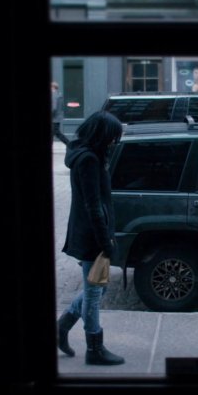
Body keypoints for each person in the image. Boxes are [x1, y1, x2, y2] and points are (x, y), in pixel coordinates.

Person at [57, 111, 125, 365]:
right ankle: (94, 348)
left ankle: (63, 326)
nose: (114, 143)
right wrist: (105, 242)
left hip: (92, 233)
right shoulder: (88, 160)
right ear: (102, 135)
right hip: (91, 237)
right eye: (113, 137)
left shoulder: (88, 155)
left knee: (98, 287)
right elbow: (93, 206)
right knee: (94, 292)